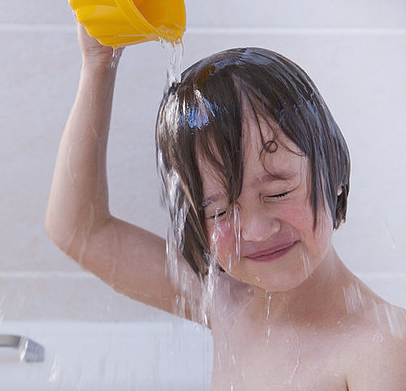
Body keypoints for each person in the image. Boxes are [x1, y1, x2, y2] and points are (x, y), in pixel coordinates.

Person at [45, 24, 406, 389]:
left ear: (333, 171)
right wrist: (97, 66)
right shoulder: (228, 299)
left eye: (278, 193)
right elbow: (80, 231)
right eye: (218, 211)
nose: (256, 230)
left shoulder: (382, 349)